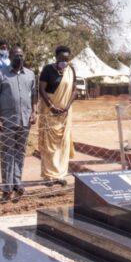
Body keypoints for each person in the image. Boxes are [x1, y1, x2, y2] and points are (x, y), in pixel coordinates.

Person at [0, 45, 37, 203]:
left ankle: (17, 183)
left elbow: (34, 95)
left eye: (21, 55)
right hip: (7, 120)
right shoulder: (0, 74)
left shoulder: (30, 74)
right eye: (15, 55)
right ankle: (7, 187)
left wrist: (34, 112)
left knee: (20, 152)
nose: (19, 58)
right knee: (7, 153)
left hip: (25, 120)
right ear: (10, 57)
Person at [38, 45, 76, 186]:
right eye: (61, 59)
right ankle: (49, 176)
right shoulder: (48, 70)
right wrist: (51, 107)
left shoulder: (71, 71)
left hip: (65, 114)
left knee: (63, 144)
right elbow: (41, 89)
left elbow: (74, 90)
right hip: (49, 112)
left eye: (66, 59)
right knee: (49, 145)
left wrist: (67, 106)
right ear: (56, 58)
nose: (64, 62)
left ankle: (60, 175)